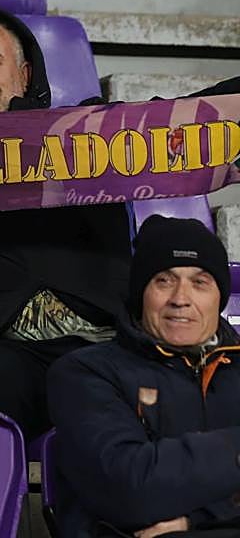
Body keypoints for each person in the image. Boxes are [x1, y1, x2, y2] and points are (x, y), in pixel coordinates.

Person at [0, 4, 240, 441]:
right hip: (0, 353)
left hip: (111, 341)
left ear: (25, 73)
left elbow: (200, 118)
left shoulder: (94, 133)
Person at [48, 215, 240, 538]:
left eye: (200, 282)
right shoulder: (84, 374)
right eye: (164, 281)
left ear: (219, 297)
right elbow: (131, 489)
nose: (181, 298)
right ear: (141, 294)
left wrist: (198, 519)